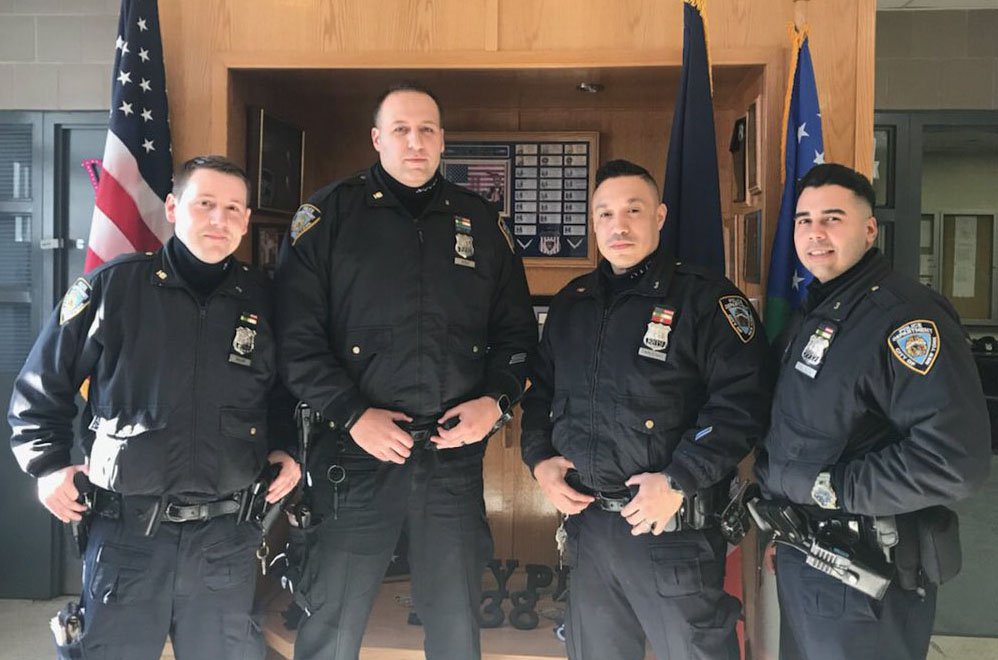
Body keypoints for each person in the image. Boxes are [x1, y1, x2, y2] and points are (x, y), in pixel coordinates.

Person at [274, 82, 536, 660]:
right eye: (400, 130)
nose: (414, 142)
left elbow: (518, 337)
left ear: (442, 140)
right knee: (331, 627)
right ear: (377, 139)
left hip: (450, 460)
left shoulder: (480, 223)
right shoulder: (329, 216)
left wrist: (495, 401)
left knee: (457, 625)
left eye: (426, 130)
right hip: (353, 458)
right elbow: (293, 342)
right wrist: (352, 414)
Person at [8, 155, 301, 660]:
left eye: (233, 208)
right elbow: (41, 385)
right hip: (128, 538)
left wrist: (288, 448)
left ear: (246, 220)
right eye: (204, 204)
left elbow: (284, 393)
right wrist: (47, 465)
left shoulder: (264, 299)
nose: (219, 219)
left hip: (226, 538)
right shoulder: (113, 288)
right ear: (172, 207)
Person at [520, 159, 774, 659]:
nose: (619, 225)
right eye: (605, 214)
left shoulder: (706, 300)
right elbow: (541, 393)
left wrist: (679, 478)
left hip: (670, 530)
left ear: (659, 216)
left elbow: (742, 405)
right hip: (590, 529)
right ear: (593, 224)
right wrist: (539, 460)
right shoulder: (572, 304)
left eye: (633, 210)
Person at [753, 163, 992, 660]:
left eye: (832, 218)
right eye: (803, 220)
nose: (815, 233)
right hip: (809, 557)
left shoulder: (905, 318)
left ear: (868, 229)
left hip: (865, 578)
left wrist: (830, 488)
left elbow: (953, 461)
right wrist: (790, 526)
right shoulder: (816, 312)